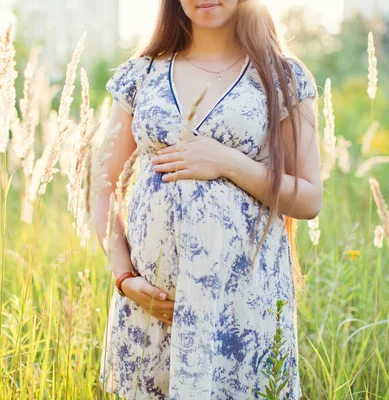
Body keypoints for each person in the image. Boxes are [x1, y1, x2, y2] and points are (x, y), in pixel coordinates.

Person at [95, 0, 322, 398]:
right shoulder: (142, 74)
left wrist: (228, 162)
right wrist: (123, 276)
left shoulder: (282, 77)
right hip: (153, 309)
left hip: (239, 311)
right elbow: (99, 184)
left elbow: (309, 199)